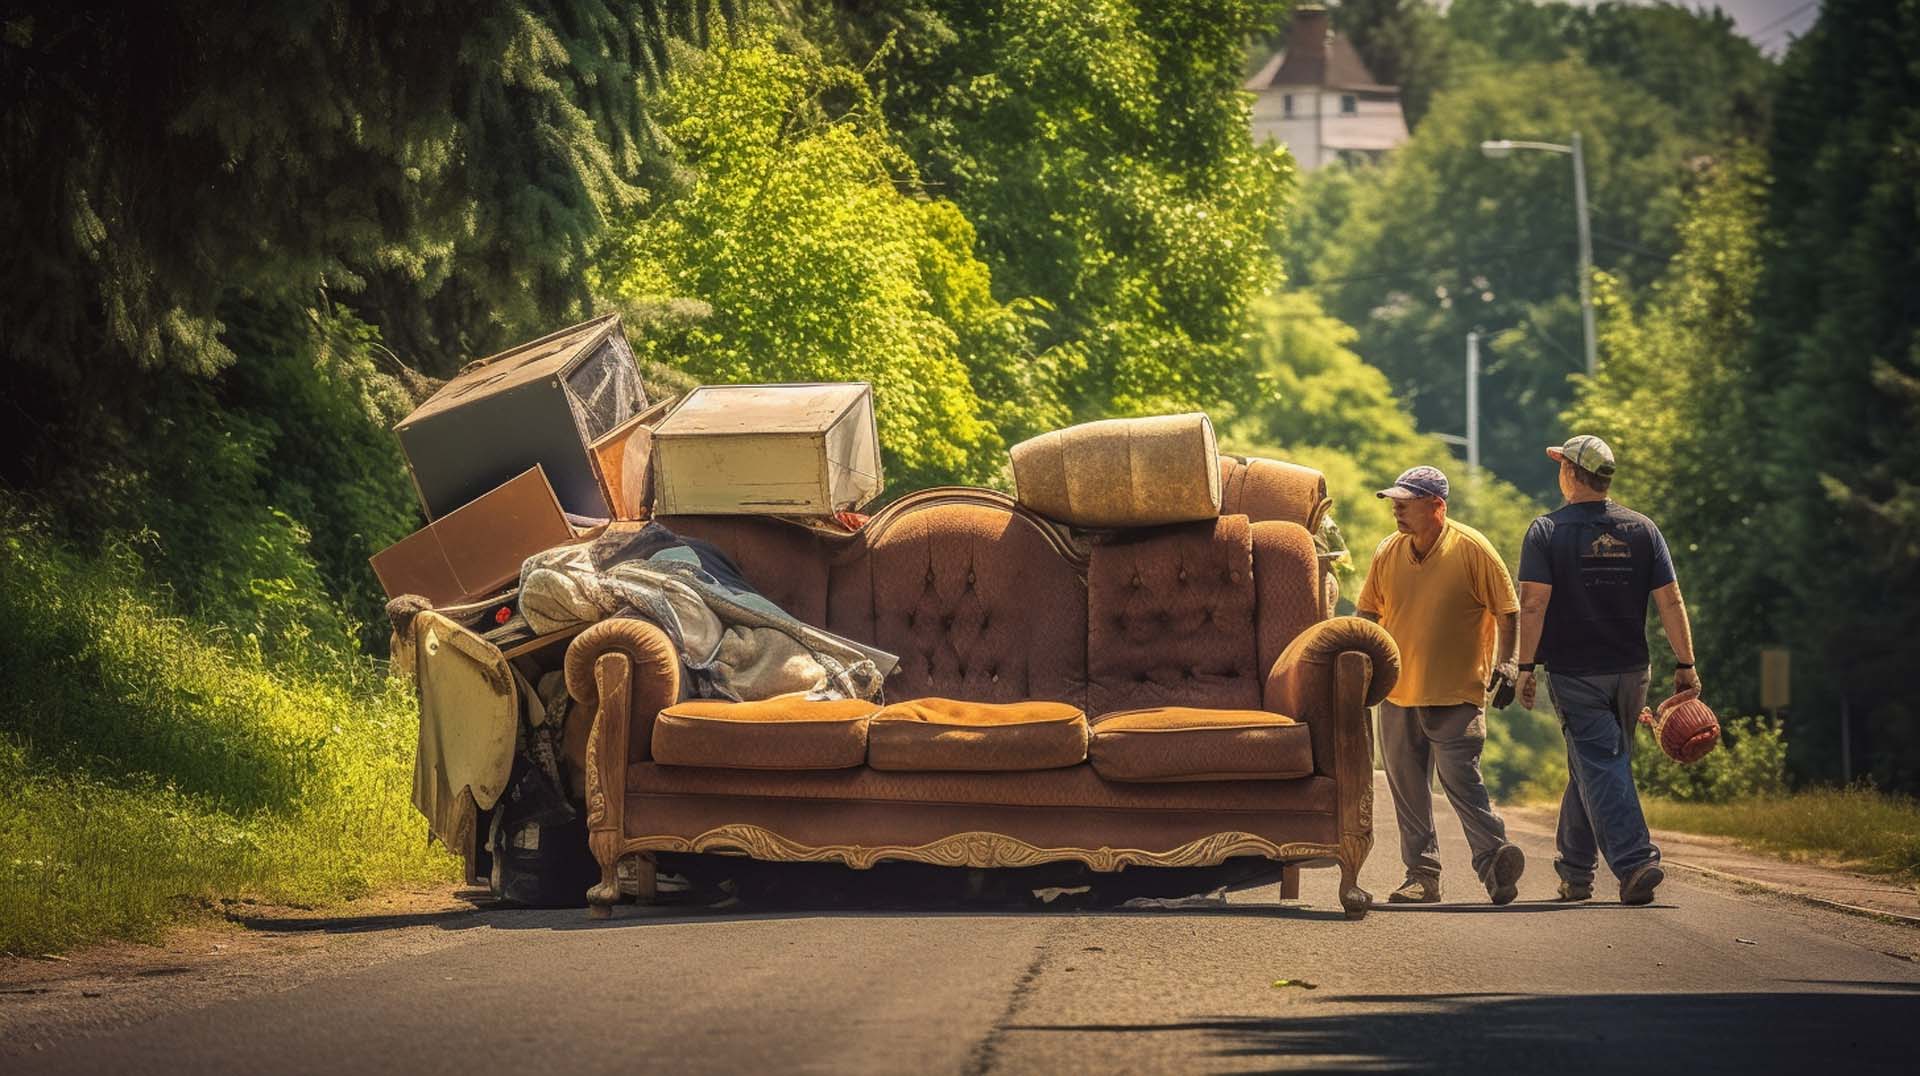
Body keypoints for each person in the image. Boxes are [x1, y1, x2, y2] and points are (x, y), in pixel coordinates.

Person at [1514, 435, 1700, 906]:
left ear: (1573, 474)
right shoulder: (1643, 530)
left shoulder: (1546, 531)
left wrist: (1525, 667)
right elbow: (1670, 600)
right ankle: (1575, 873)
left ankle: (1636, 861)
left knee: (1599, 762)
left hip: (1577, 672)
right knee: (1595, 764)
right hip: (1632, 671)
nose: (1558, 473)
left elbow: (1533, 605)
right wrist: (1685, 663)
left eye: (1561, 466)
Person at [1356, 465, 1527, 905]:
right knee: (1408, 791)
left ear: (1437, 506)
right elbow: (1367, 616)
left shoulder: (1472, 549)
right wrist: (1356, 664)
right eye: (1394, 502)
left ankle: (1494, 862)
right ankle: (1422, 876)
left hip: (1456, 693)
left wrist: (1508, 666)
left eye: (1406, 502)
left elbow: (1508, 611)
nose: (1396, 509)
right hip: (1396, 693)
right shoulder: (1387, 552)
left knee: (1460, 779)